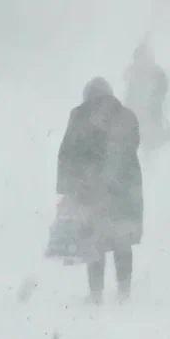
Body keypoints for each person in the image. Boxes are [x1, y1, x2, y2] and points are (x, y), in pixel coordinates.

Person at [55, 77, 143, 304]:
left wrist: (67, 189)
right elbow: (133, 145)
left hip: (90, 190)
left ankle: (96, 295)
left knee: (95, 242)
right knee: (122, 241)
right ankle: (124, 293)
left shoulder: (80, 117)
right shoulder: (126, 116)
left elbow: (66, 154)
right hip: (124, 190)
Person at [123, 43, 170, 150]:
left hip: (151, 120)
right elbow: (130, 97)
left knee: (150, 147)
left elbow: (160, 97)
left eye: (144, 58)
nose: (142, 62)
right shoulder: (133, 75)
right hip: (136, 119)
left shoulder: (157, 75)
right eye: (139, 58)